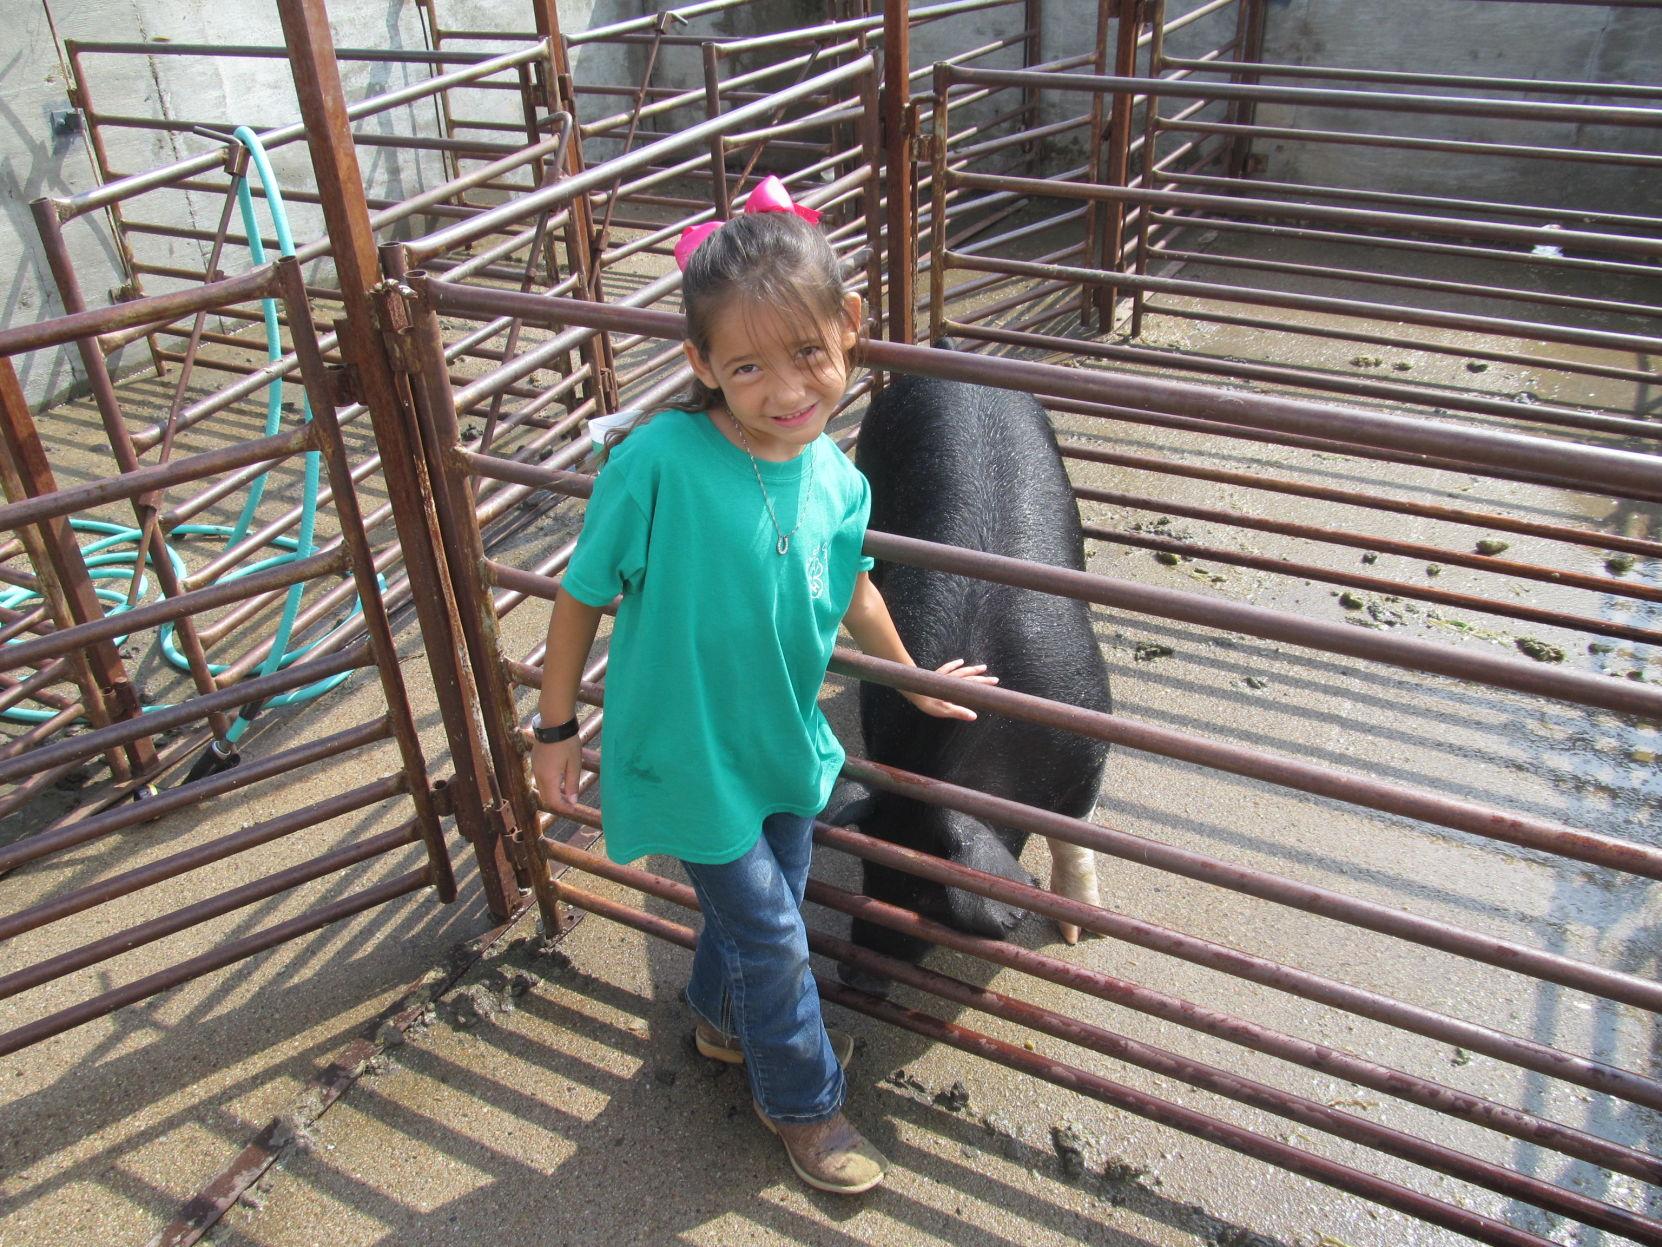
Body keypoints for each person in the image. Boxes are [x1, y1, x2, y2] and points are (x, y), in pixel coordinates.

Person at [528, 176, 995, 1196]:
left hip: (778, 739)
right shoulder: (657, 463)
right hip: (688, 752)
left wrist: (911, 677)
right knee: (779, 930)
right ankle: (806, 1102)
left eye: (806, 357)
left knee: (767, 906)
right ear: (700, 363)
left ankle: (718, 1020)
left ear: (849, 329)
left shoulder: (836, 476)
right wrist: (554, 725)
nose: (785, 391)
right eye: (745, 366)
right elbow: (578, 594)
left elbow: (853, 580)